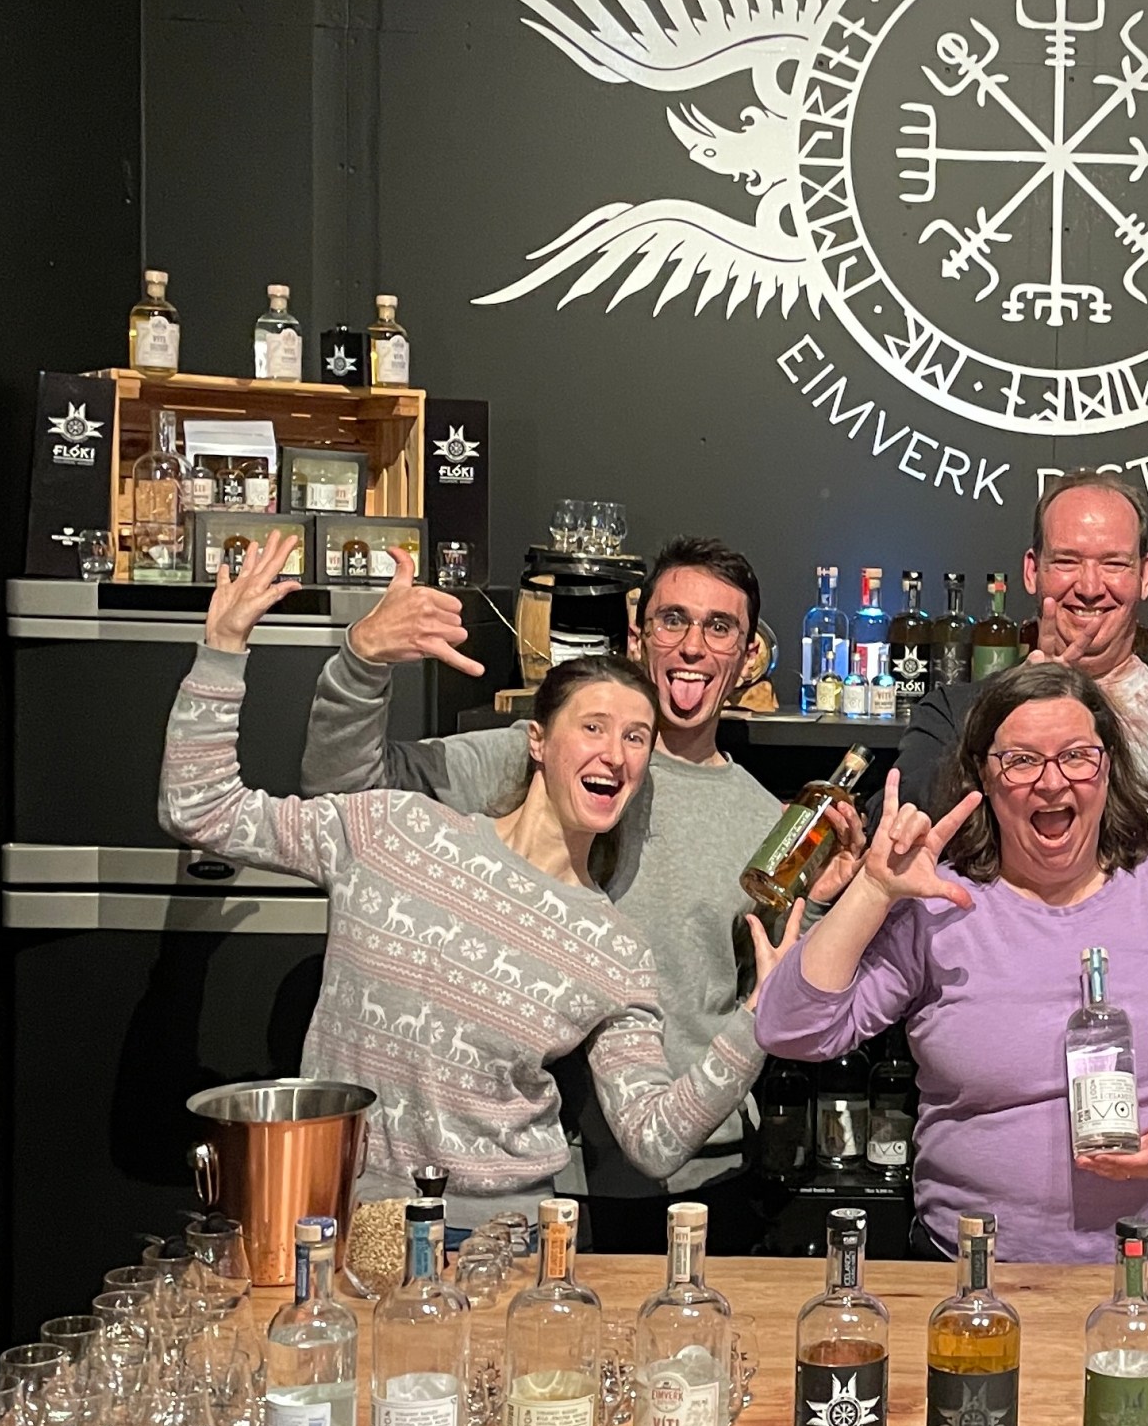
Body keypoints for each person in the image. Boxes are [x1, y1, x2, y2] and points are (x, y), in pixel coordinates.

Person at [162, 534, 774, 1228]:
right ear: (536, 740)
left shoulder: (617, 943)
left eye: (635, 738)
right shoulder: (396, 830)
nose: (614, 754)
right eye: (593, 727)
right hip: (349, 1212)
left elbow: (658, 1135)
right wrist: (235, 647)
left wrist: (767, 1009)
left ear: (747, 652)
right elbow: (211, 808)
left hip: (515, 1235)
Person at [297, 535, 858, 1251]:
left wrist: (823, 904)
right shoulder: (542, 754)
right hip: (537, 1176)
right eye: (673, 620)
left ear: (749, 657)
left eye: (719, 627)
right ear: (637, 635)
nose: (693, 645)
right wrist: (361, 662)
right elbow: (344, 794)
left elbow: (780, 998)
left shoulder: (765, 823)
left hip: (695, 1177)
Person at [758, 660, 1148, 1264]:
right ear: (983, 777)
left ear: (1109, 768)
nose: (1052, 782)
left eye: (1077, 756)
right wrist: (873, 890)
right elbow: (791, 1030)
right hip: (976, 1269)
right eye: (1021, 760)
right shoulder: (940, 904)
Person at [889, 469, 1148, 1259]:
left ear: (1145, 576)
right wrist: (1027, 698)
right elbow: (907, 834)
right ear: (1033, 571)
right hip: (1012, 1154)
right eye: (1068, 560)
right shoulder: (958, 711)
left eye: (1114, 563)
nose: (1090, 586)